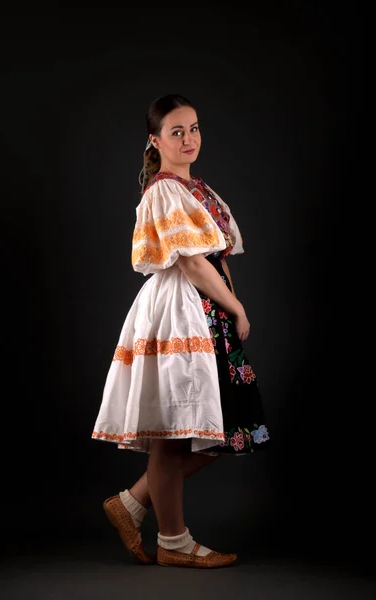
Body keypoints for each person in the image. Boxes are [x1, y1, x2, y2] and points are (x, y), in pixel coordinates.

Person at [92, 94, 270, 568]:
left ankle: (132, 503)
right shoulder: (165, 191)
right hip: (182, 308)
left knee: (220, 429)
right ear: (155, 141)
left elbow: (217, 256)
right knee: (178, 431)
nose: (188, 138)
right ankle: (174, 541)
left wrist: (229, 309)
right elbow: (192, 262)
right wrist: (238, 309)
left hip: (208, 307)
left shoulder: (200, 190)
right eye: (176, 131)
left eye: (193, 128)